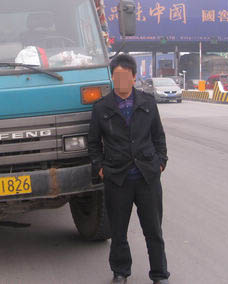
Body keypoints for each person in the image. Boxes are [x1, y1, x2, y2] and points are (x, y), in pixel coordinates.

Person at [88, 54, 170, 284]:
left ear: (134, 78)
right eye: (117, 77)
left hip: (147, 177)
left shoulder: (147, 103)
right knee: (118, 231)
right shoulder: (102, 108)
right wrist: (100, 168)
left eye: (125, 76)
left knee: (153, 230)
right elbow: (93, 143)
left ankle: (160, 274)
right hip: (117, 178)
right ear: (112, 78)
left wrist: (160, 162)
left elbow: (158, 137)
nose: (121, 81)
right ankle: (121, 272)